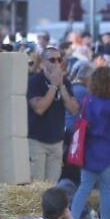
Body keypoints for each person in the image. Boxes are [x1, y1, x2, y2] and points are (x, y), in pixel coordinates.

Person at [69, 67, 110, 219]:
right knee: (106, 192)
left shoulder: (87, 100)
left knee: (84, 188)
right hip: (107, 153)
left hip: (89, 152)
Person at [27, 46, 79, 182]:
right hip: (37, 141)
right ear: (43, 62)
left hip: (57, 142)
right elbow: (39, 108)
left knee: (52, 186)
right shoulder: (34, 81)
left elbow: (73, 109)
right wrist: (53, 86)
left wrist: (61, 86)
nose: (57, 63)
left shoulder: (65, 82)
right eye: (52, 59)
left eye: (59, 59)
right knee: (37, 186)